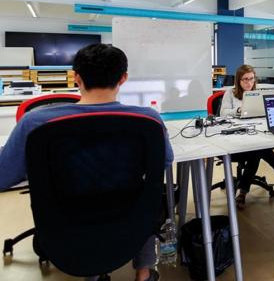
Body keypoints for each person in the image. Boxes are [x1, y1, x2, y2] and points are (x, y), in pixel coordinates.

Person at [0, 44, 172, 281]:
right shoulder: (148, 119)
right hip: (129, 218)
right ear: (123, 78)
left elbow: (3, 176)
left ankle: (94, 273)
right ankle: (144, 273)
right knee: (145, 198)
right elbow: (164, 161)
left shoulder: (35, 123)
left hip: (65, 223)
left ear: (76, 77)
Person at [220, 64, 274, 209]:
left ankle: (243, 193)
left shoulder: (258, 93)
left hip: (254, 132)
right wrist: (239, 110)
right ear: (238, 81)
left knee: (256, 149)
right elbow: (223, 113)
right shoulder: (230, 93)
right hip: (234, 140)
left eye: (251, 79)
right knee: (256, 152)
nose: (249, 82)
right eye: (245, 79)